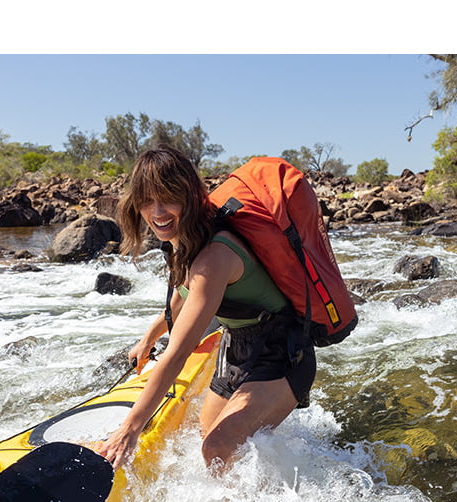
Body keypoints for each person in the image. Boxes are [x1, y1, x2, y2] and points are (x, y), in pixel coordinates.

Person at [98, 146, 316, 471]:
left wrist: (129, 430)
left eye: (168, 197)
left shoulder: (215, 255)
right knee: (205, 439)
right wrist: (148, 338)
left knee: (218, 447)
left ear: (190, 196)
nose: (157, 211)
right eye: (147, 200)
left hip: (282, 352)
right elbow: (184, 295)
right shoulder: (189, 239)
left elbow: (178, 351)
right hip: (236, 349)